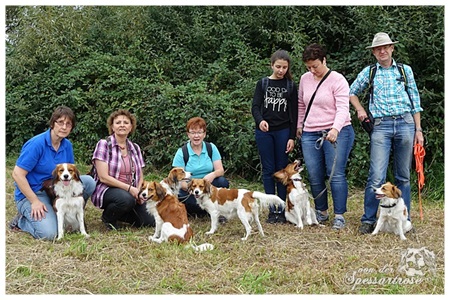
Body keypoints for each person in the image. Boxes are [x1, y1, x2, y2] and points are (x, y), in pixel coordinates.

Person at [349, 32, 424, 234]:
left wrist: (418, 129)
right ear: (374, 52)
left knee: (403, 176)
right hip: (380, 126)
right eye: (378, 49)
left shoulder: (404, 70)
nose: (382, 51)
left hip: (406, 123)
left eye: (385, 47)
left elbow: (415, 101)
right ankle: (368, 219)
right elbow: (352, 92)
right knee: (376, 176)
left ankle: (404, 219)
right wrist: (360, 110)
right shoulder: (370, 72)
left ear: (392, 49)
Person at [9, 106, 96, 240]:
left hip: (54, 188)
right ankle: (22, 221)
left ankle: (72, 214)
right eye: (60, 122)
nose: (64, 127)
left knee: (89, 182)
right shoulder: (36, 144)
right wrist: (34, 201)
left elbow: (69, 174)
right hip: (34, 193)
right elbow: (17, 174)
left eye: (68, 124)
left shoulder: (67, 145)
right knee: (49, 234)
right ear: (52, 123)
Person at [297, 43, 355, 230]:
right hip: (310, 131)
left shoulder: (337, 80)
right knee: (314, 174)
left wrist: (335, 129)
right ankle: (321, 212)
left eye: (316, 66)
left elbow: (343, 108)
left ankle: (339, 215)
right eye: (309, 67)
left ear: (324, 60)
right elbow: (301, 104)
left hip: (337, 131)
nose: (312, 71)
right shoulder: (305, 79)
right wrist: (300, 125)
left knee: (335, 173)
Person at [251, 49, 298, 224]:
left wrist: (292, 137)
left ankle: (283, 208)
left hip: (283, 131)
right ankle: (272, 209)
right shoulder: (262, 83)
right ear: (271, 65)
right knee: (268, 169)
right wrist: (260, 120)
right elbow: (255, 106)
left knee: (281, 170)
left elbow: (294, 113)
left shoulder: (290, 86)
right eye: (278, 66)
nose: (281, 70)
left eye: (284, 67)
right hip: (264, 132)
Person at [91, 109, 154, 230]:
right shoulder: (104, 144)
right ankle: (108, 218)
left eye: (126, 122)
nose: (122, 125)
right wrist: (129, 189)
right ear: (112, 127)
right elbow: (103, 177)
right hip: (107, 189)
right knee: (125, 199)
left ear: (131, 127)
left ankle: (121, 213)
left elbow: (140, 174)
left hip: (131, 192)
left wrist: (139, 191)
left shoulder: (135, 147)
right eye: (118, 122)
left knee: (149, 221)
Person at [172, 116, 229, 219]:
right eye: (193, 133)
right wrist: (192, 189)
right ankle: (202, 210)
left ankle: (218, 211)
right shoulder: (182, 152)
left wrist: (213, 174)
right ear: (188, 134)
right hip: (190, 189)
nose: (196, 136)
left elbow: (220, 170)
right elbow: (179, 179)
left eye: (199, 132)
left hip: (207, 186)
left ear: (204, 134)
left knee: (222, 182)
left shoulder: (211, 147)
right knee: (181, 194)